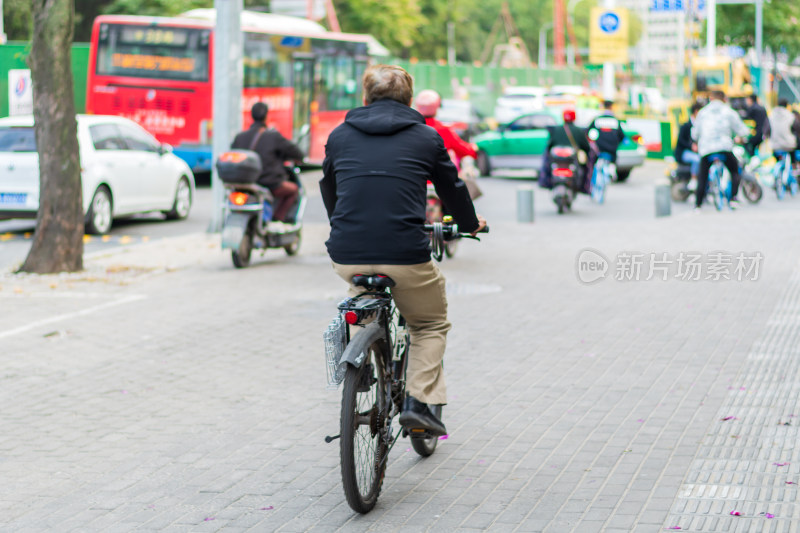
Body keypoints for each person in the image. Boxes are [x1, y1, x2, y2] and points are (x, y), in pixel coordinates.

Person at [320, 64, 487, 436]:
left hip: (348, 250)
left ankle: (359, 364)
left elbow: (329, 188)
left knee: (358, 297)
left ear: (364, 98)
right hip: (405, 252)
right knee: (429, 324)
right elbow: (452, 188)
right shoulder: (425, 137)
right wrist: (469, 224)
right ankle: (417, 401)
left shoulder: (339, 135)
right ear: (410, 100)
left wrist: (342, 226)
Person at [231, 102, 304, 222]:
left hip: (245, 184)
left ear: (251, 116)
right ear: (266, 117)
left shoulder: (240, 137)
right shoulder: (273, 136)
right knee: (294, 190)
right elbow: (297, 154)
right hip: (270, 183)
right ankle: (277, 220)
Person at [691, 90, 750, 210]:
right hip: (724, 147)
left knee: (702, 176)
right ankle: (733, 199)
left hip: (706, 149)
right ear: (724, 99)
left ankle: (698, 204)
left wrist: (697, 140)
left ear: (711, 99)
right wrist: (740, 137)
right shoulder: (729, 112)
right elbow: (743, 131)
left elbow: (695, 133)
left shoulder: (703, 112)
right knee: (735, 171)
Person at [414, 89, 478, 168]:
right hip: (436, 178)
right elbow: (465, 150)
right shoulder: (443, 130)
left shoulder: (409, 127)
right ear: (438, 106)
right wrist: (474, 147)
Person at [540, 108, 591, 192]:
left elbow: (549, 145)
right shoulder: (578, 130)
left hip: (557, 161)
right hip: (572, 160)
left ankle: (545, 182)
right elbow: (586, 147)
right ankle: (584, 188)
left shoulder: (556, 129)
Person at [586, 100, 626, 182]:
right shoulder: (616, 120)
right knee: (613, 161)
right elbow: (621, 136)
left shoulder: (597, 120)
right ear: (611, 107)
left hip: (598, 149)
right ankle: (612, 171)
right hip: (611, 150)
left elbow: (588, 132)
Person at [674, 102, 704, 180]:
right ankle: (694, 179)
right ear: (696, 111)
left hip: (695, 151)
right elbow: (681, 140)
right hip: (683, 152)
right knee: (697, 159)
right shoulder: (686, 126)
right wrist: (691, 146)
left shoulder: (700, 125)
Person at [769, 99, 800, 165]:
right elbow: (798, 128)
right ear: (787, 105)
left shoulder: (771, 115)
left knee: (776, 160)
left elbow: (766, 130)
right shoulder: (790, 116)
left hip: (775, 146)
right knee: (793, 160)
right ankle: (794, 167)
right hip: (789, 146)